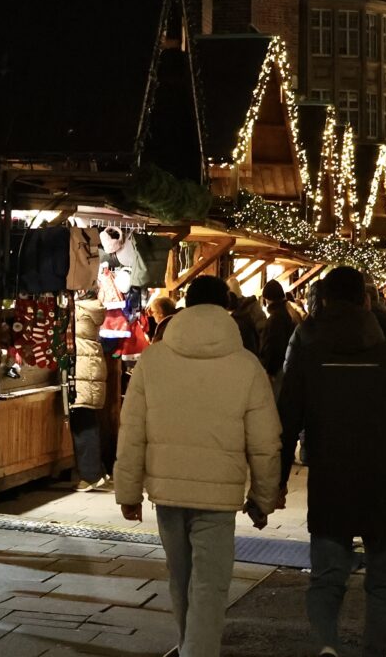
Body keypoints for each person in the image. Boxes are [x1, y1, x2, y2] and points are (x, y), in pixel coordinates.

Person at [277, 266, 386, 657]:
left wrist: (276, 483)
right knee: (384, 581)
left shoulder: (308, 356)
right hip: (383, 486)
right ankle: (373, 651)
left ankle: (327, 646)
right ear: (367, 302)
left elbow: (286, 426)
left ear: (324, 302)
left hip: (329, 482)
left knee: (326, 578)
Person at [114, 275, 280, 657]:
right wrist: (263, 496)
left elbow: (132, 428)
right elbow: (265, 441)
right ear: (226, 306)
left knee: (181, 577)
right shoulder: (246, 365)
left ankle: (189, 643)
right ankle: (196, 649)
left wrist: (128, 490)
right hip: (218, 496)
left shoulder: (154, 359)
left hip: (167, 492)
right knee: (210, 583)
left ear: (186, 305)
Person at [68, 288, 111, 491]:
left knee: (83, 421)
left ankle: (90, 475)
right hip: (89, 367)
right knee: (88, 420)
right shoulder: (93, 308)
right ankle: (97, 471)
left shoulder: (79, 309)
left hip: (83, 368)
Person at [258, 280, 296, 393]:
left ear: (267, 299)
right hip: (289, 367)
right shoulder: (290, 313)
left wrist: (270, 371)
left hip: (278, 371)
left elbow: (273, 347)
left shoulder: (275, 319)